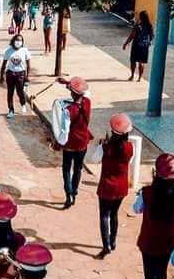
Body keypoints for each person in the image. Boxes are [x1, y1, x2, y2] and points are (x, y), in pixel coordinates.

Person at [96, 113, 134, 259]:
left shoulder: (107, 147)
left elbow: (96, 157)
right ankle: (113, 241)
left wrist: (103, 144)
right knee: (114, 214)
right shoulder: (129, 148)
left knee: (104, 216)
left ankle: (106, 247)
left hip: (106, 186)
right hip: (121, 186)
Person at [52, 76, 92, 208]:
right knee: (78, 168)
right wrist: (68, 83)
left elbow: (64, 132)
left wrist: (57, 144)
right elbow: (84, 91)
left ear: (72, 94)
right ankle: (74, 192)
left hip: (70, 144)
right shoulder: (87, 102)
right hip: (83, 143)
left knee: (66, 169)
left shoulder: (68, 111)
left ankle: (68, 193)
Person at [0, 33, 31, 118]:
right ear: (13, 41)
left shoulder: (25, 51)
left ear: (22, 42)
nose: (18, 42)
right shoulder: (8, 51)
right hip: (10, 74)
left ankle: (23, 104)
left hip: (21, 74)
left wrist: (27, 76)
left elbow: (28, 65)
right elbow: (4, 64)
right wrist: (1, 75)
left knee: (20, 91)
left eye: (20, 40)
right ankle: (11, 110)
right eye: (16, 40)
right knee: (10, 92)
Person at [123, 10, 154, 82]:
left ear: (141, 17)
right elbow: (152, 36)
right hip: (144, 46)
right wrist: (148, 43)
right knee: (141, 62)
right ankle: (139, 78)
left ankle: (132, 75)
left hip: (136, 45)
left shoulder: (138, 26)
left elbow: (132, 35)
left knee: (133, 61)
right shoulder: (150, 26)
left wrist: (126, 43)